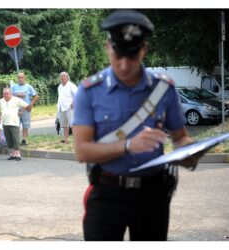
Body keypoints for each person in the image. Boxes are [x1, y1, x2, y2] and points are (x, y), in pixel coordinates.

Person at [72, 10, 201, 241]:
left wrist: (189, 152)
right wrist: (129, 145)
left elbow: (180, 137)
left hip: (153, 195)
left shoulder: (163, 89)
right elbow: (82, 151)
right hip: (107, 192)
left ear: (144, 50)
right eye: (118, 55)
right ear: (107, 47)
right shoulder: (89, 91)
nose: (123, 65)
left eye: (132, 56)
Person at [0, 87, 29, 161]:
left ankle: (18, 154)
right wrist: (0, 114)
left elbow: (26, 106)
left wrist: (21, 112)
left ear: (10, 93)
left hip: (14, 122)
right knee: (9, 139)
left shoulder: (16, 100)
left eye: (7, 93)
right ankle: (13, 154)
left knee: (15, 138)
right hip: (5, 122)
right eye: (4, 93)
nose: (6, 95)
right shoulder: (1, 101)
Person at [11, 72, 39, 146]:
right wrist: (17, 94)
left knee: (25, 125)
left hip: (26, 108)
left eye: (22, 77)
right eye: (19, 77)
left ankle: (24, 140)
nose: (20, 79)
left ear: (24, 78)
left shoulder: (28, 87)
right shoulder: (13, 87)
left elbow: (36, 96)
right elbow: (9, 96)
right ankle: (16, 141)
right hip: (15, 109)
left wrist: (31, 104)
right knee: (16, 125)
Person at [57, 71, 77, 144]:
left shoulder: (71, 85)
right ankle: (66, 140)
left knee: (73, 125)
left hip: (70, 108)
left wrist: (74, 102)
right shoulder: (59, 86)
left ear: (67, 77)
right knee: (64, 125)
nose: (62, 77)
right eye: (61, 76)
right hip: (61, 108)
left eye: (64, 76)